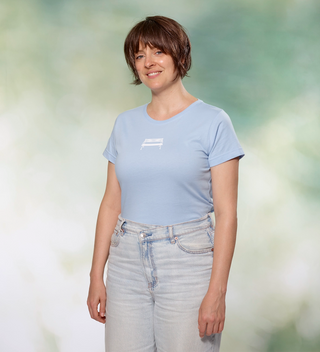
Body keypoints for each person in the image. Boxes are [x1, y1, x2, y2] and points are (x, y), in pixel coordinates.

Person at [87, 15, 245, 352]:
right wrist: (95, 276)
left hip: (187, 261)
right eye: (139, 55)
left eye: (158, 52)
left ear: (179, 56)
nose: (148, 63)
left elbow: (227, 213)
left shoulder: (213, 122)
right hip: (126, 261)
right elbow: (111, 203)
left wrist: (217, 291)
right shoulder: (125, 124)